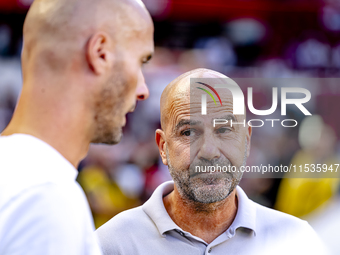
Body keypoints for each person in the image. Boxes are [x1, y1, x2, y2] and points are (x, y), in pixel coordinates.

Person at [96, 68, 327, 255]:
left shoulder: (296, 241)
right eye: (188, 132)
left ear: (246, 141)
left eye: (225, 129)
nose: (209, 151)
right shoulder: (111, 245)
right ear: (163, 147)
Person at [0, 0, 154, 254]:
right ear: (100, 53)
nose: (143, 90)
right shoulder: (46, 198)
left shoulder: (22, 179)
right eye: (140, 62)